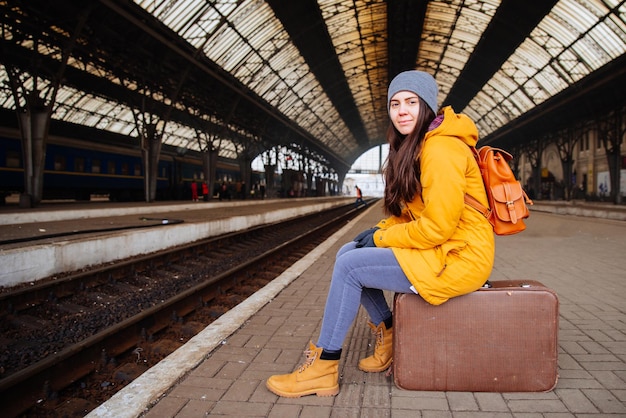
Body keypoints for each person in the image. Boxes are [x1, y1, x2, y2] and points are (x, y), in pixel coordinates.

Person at [265, 70, 495, 398]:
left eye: (411, 102)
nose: (402, 110)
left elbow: (437, 228)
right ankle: (388, 334)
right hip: (445, 250)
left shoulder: (441, 150)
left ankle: (323, 366)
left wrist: (381, 239)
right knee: (348, 252)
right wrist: (379, 230)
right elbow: (416, 216)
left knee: (350, 267)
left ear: (427, 107)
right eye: (395, 103)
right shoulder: (418, 146)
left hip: (460, 258)